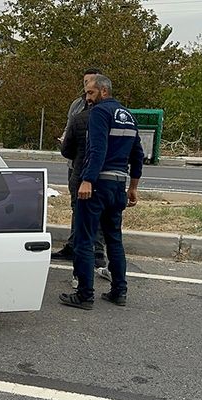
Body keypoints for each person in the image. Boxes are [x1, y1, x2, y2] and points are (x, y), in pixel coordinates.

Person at [59, 74, 143, 310]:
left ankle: (85, 295)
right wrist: (133, 186)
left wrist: (87, 180)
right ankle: (119, 291)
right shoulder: (128, 116)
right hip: (118, 185)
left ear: (104, 92)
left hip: (97, 185)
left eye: (90, 93)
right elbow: (137, 154)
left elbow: (97, 150)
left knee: (84, 240)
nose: (87, 98)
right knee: (114, 239)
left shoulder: (99, 113)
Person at [53, 67, 103, 263]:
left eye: (91, 84)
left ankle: (97, 252)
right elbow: (69, 129)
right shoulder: (76, 106)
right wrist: (65, 140)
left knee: (95, 209)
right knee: (77, 207)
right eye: (85, 84)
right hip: (74, 165)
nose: (87, 88)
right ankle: (73, 246)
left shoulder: (104, 110)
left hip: (94, 169)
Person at [60, 105, 107, 275]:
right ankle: (116, 283)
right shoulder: (119, 116)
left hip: (82, 175)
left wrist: (86, 177)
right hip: (106, 178)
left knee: (83, 219)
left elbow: (66, 149)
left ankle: (82, 280)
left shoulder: (81, 117)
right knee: (96, 218)